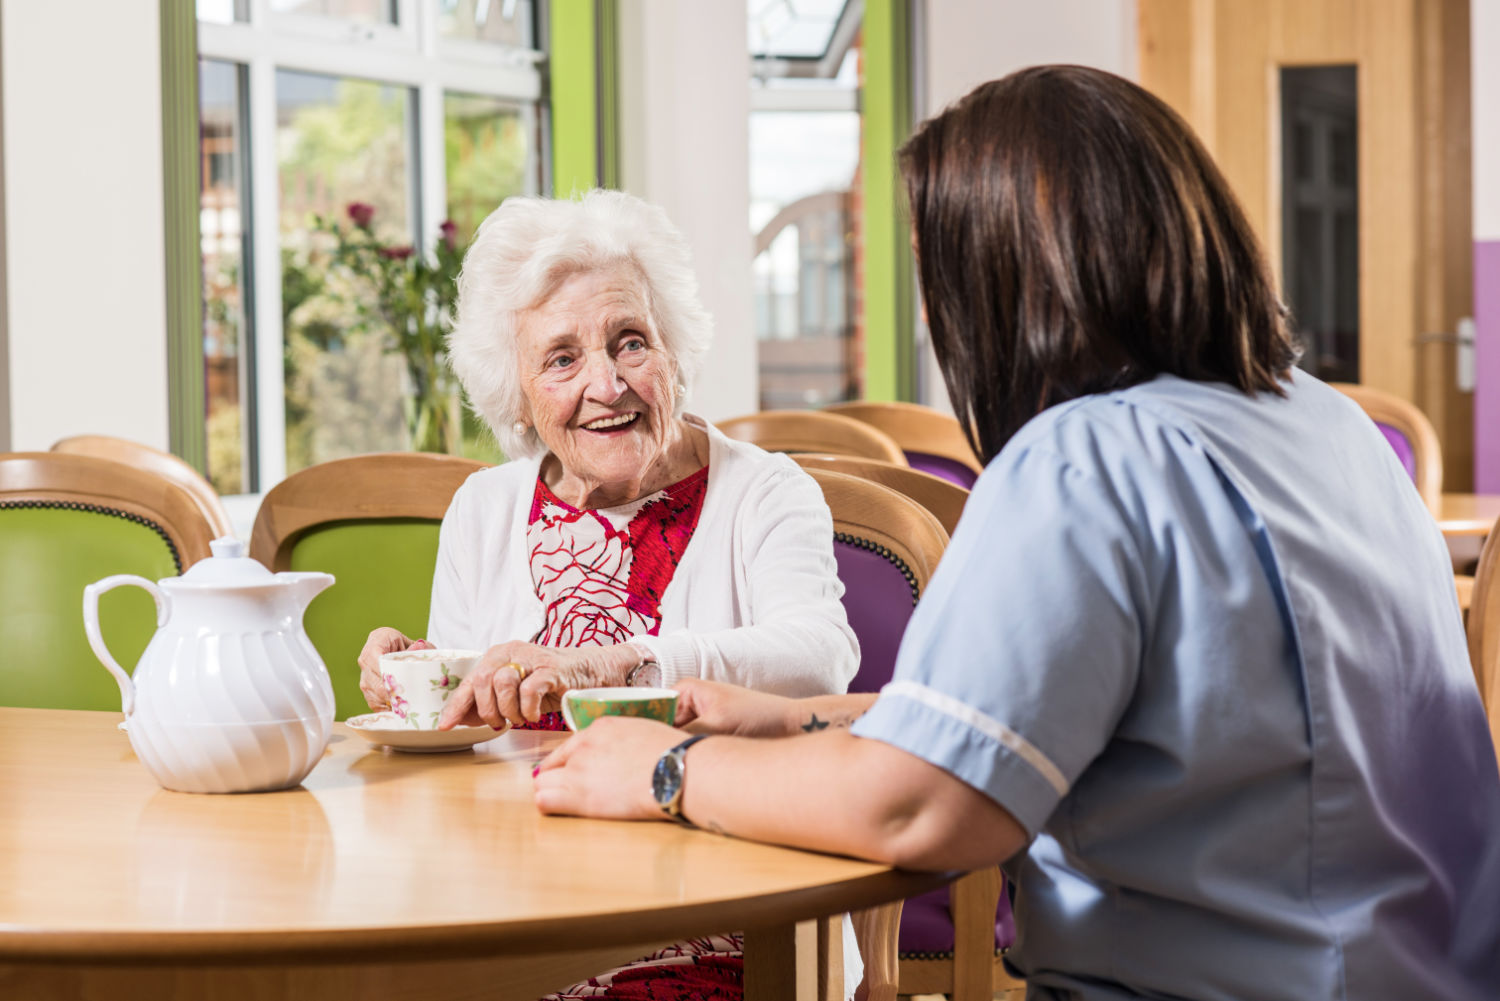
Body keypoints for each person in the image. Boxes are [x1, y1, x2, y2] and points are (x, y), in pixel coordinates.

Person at [533, 66, 1500, 1000]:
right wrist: (795, 718)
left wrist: (666, 770)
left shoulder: (1084, 460)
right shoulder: (1327, 426)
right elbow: (1147, 724)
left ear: (999, 279)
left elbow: (924, 809)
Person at [357, 189, 863, 999]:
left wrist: (621, 661)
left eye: (630, 343)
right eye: (561, 359)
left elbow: (821, 660)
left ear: (674, 351)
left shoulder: (766, 492)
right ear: (518, 394)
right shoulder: (484, 511)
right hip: (515, 913)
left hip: (728, 926)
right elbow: (467, 743)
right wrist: (420, 681)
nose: (607, 384)